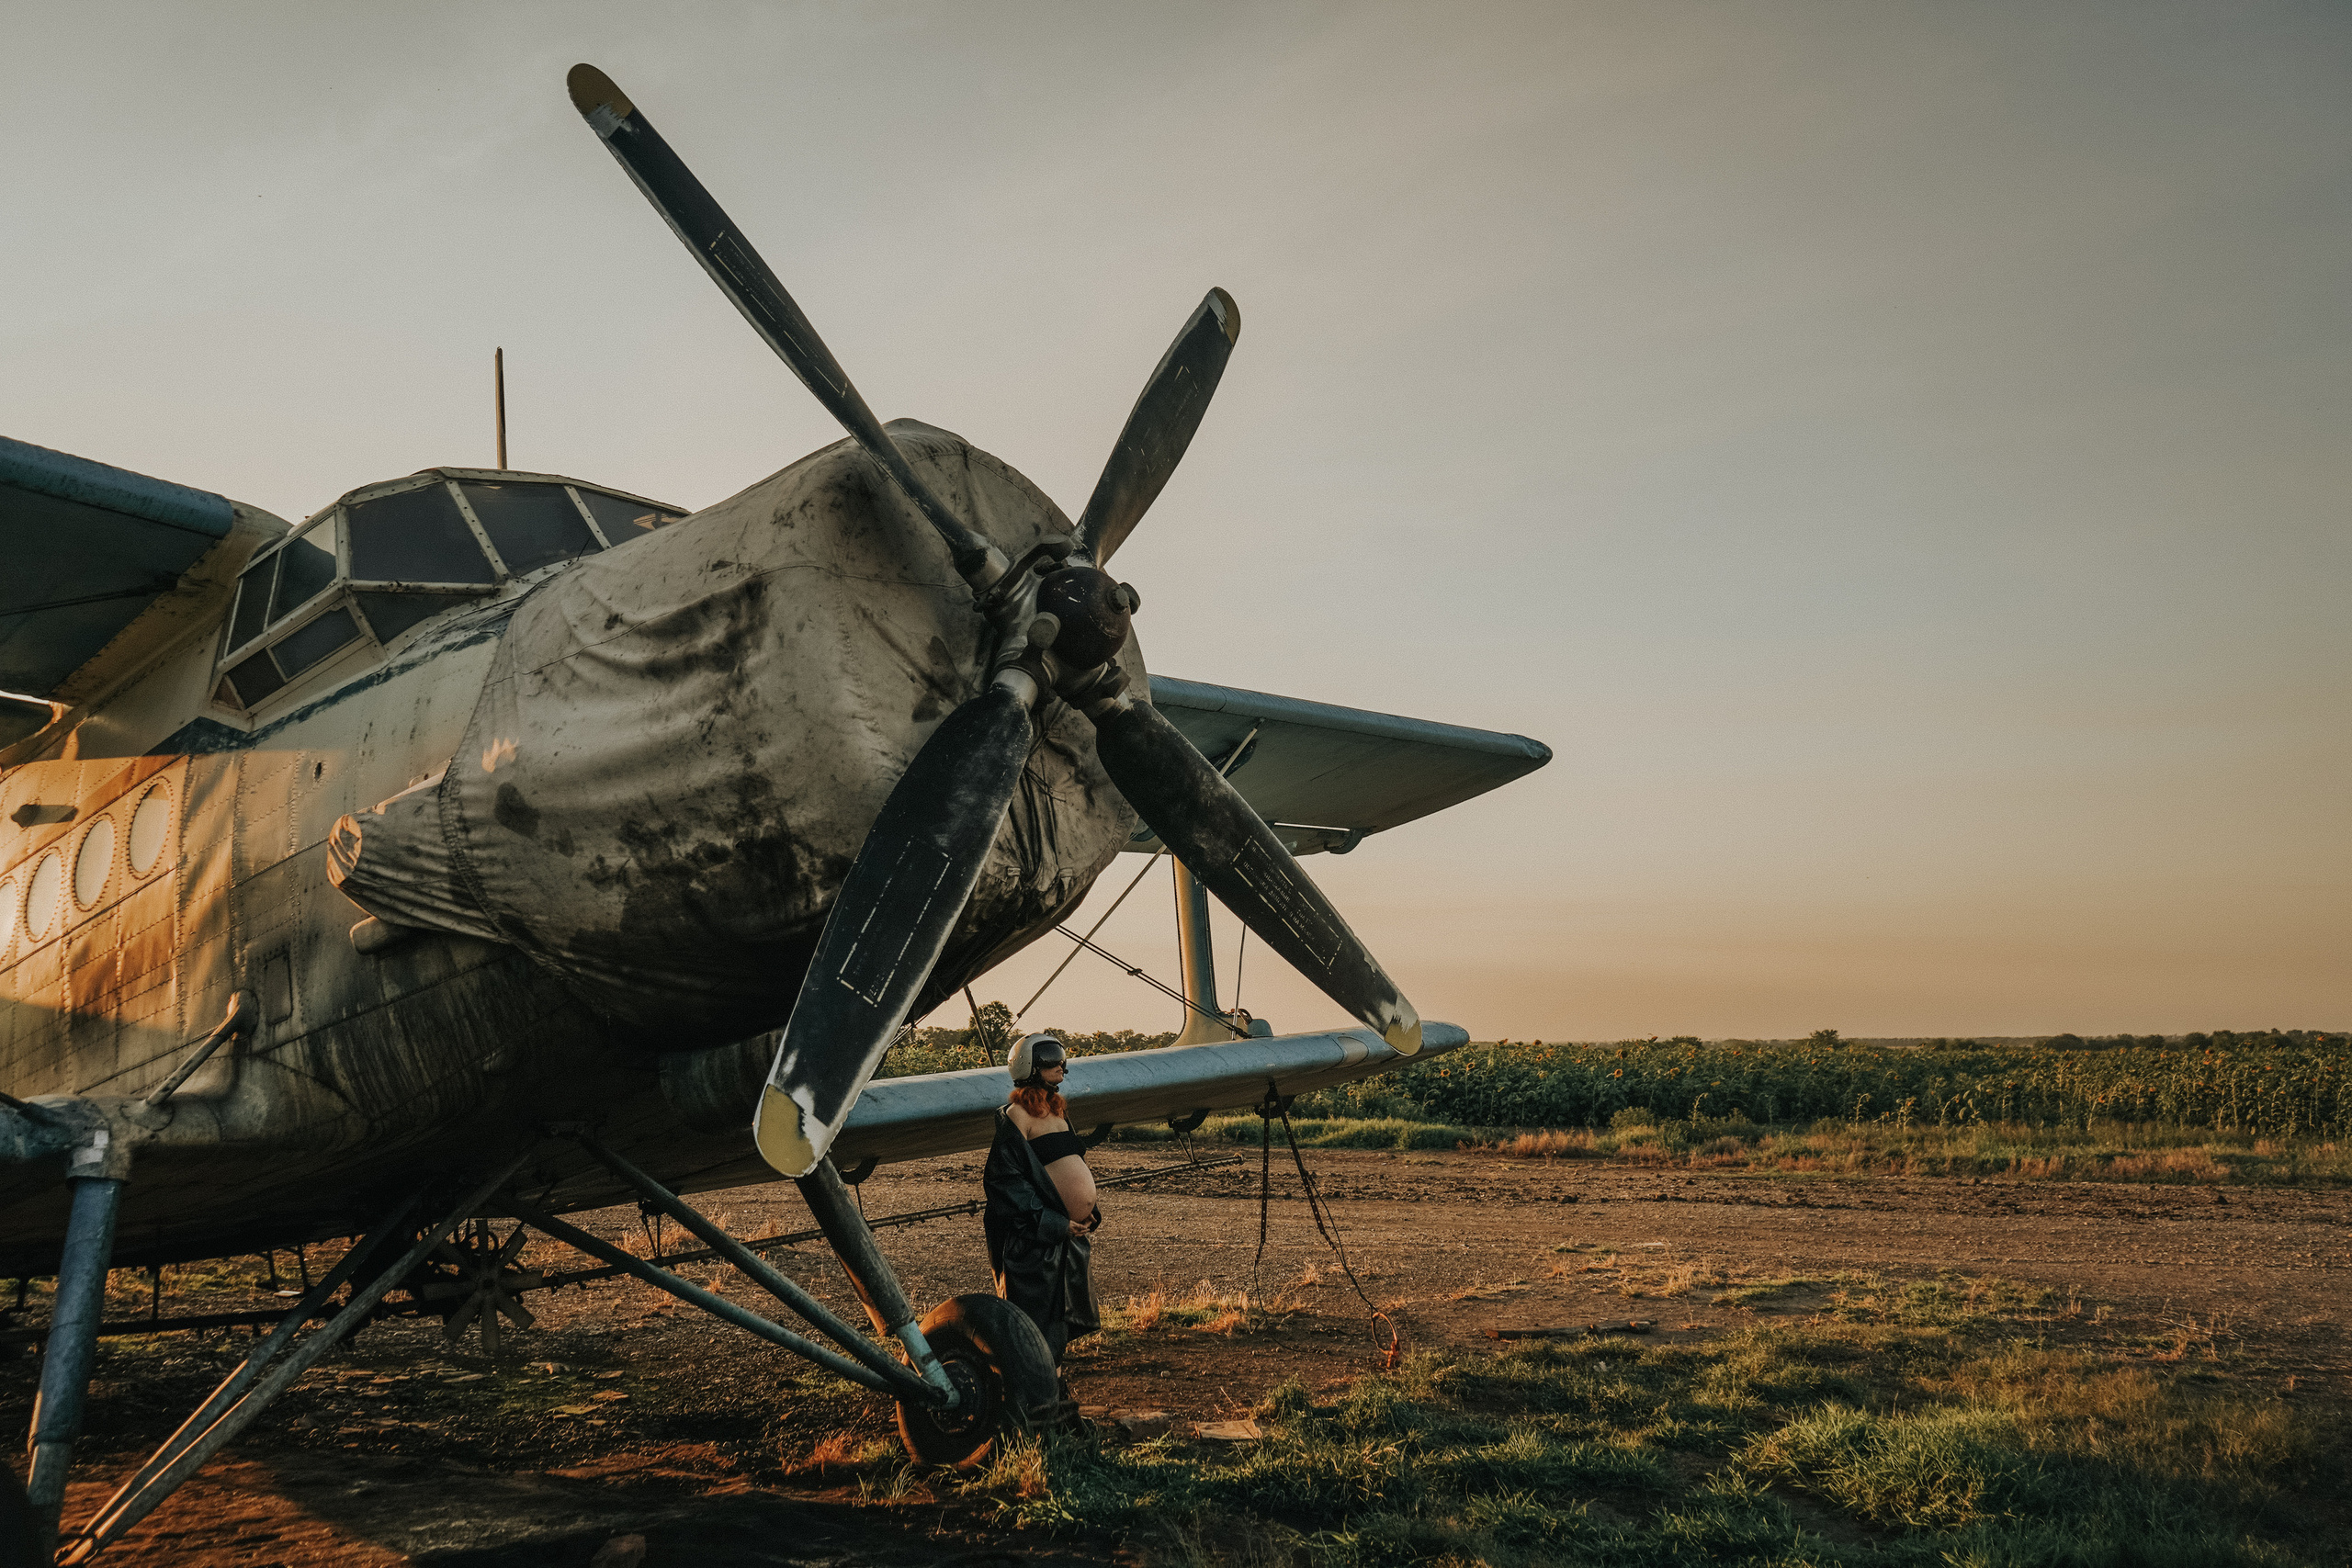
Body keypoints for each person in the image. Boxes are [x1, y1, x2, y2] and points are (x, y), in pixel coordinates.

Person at [983, 1032, 1101, 1365]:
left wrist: (1088, 1210)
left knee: (1059, 1326)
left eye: (1062, 1057)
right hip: (1036, 1244)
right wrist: (1054, 1223)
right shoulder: (1017, 1115)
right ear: (1029, 1066)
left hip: (1065, 1242)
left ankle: (1054, 1386)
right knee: (1036, 1330)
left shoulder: (1058, 1113)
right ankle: (1035, 1390)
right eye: (1051, 1059)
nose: (1061, 1065)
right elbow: (1005, 1182)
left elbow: (1070, 1165)